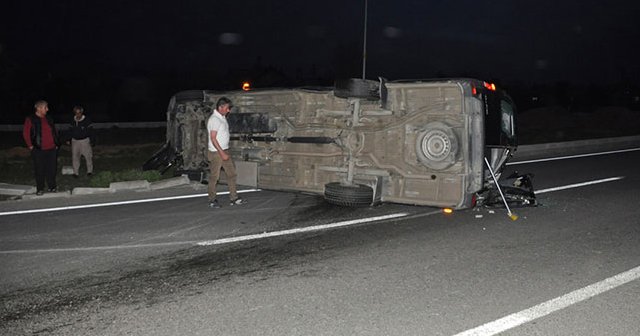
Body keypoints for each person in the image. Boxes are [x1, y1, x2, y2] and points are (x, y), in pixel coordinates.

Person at [206, 97, 245, 208]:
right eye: (227, 108)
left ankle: (234, 198)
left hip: (224, 150)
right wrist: (222, 153)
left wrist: (225, 151)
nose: (229, 110)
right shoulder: (215, 119)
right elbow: (213, 138)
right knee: (215, 177)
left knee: (232, 174)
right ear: (220, 107)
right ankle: (212, 200)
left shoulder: (222, 117)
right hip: (216, 153)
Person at [22, 100, 60, 195]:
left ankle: (52, 187)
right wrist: (30, 146)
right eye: (45, 107)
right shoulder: (31, 119)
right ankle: (40, 188)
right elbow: (26, 133)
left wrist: (56, 143)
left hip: (51, 149)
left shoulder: (49, 118)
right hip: (38, 149)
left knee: (52, 169)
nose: (47, 109)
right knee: (39, 169)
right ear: (38, 108)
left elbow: (54, 131)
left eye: (47, 107)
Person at [68, 105, 93, 177]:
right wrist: (68, 139)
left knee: (88, 156)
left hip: (84, 140)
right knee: (75, 157)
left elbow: (91, 131)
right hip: (75, 141)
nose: (78, 114)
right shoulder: (72, 120)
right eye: (76, 113)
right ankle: (75, 172)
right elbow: (70, 131)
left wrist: (92, 140)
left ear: (82, 113)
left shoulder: (87, 120)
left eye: (79, 113)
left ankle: (89, 171)